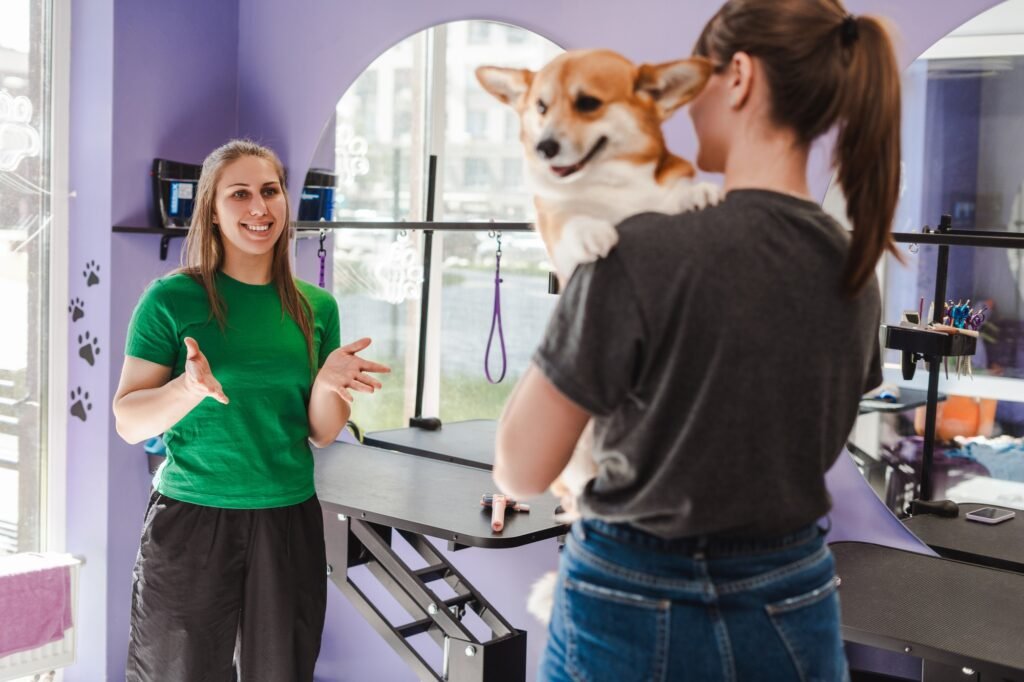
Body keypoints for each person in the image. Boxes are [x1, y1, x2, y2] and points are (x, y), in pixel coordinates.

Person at [494, 0, 899, 679]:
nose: (682, 106)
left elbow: (521, 468)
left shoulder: (637, 251)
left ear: (737, 77)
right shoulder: (853, 266)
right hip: (794, 600)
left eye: (702, 78)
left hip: (632, 598)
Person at [113, 139, 389, 681]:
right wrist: (186, 390)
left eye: (270, 191)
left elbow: (321, 433)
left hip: (287, 519)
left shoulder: (316, 306)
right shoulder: (171, 300)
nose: (259, 208)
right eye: (239, 194)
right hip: (193, 517)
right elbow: (128, 421)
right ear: (213, 213)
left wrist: (329, 384)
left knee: (281, 671)